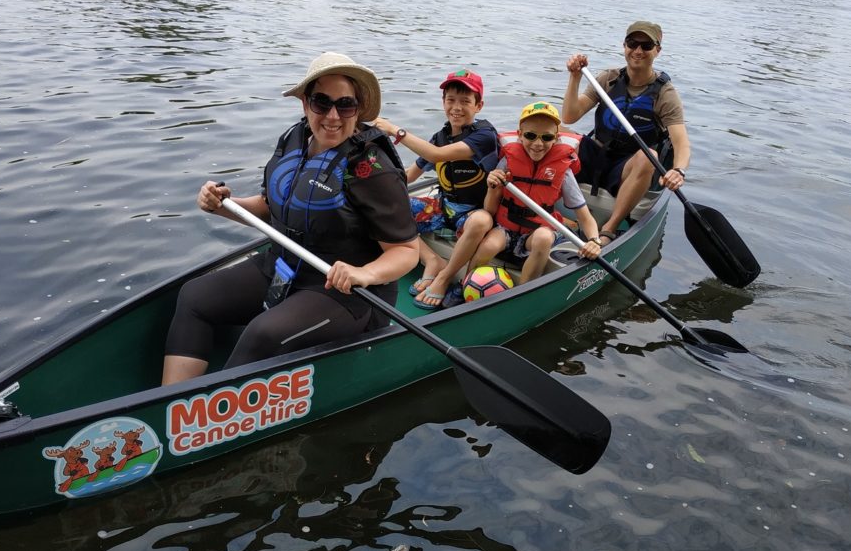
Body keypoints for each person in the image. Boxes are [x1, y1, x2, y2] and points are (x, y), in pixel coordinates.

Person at [161, 52, 419, 386]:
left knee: (263, 334)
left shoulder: (371, 168)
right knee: (195, 297)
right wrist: (222, 205)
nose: (332, 116)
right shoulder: (293, 140)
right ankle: (173, 402)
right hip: (283, 266)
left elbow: (406, 251)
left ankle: (207, 412)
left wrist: (364, 273)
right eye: (321, 102)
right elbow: (270, 208)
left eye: (345, 105)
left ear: (358, 109)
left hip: (345, 293)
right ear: (305, 103)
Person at [373, 68, 499, 310]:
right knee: (384, 206)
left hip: (473, 213)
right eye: (451, 100)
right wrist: (375, 189)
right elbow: (409, 175)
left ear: (479, 106)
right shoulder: (440, 136)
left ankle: (444, 278)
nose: (456, 108)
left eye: (465, 101)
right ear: (443, 102)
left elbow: (436, 155)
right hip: (443, 208)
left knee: (481, 221)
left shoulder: (484, 136)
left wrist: (395, 130)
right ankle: (432, 259)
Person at [562, 21, 691, 244]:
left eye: (646, 45)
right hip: (598, 153)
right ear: (624, 46)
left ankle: (609, 229)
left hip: (629, 166)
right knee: (551, 129)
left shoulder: (665, 94)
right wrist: (575, 77)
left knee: (649, 156)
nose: (638, 51)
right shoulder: (608, 79)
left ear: (657, 50)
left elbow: (682, 144)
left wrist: (678, 170)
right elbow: (570, 116)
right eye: (632, 43)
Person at [469, 102, 601, 285]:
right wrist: (492, 188)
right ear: (520, 135)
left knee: (544, 238)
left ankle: (523, 292)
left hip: (537, 233)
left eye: (546, 137)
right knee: (489, 246)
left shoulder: (564, 171)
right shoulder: (507, 161)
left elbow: (585, 217)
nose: (538, 144)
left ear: (556, 138)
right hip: (506, 228)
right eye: (530, 136)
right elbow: (490, 210)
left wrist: (594, 240)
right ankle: (466, 285)